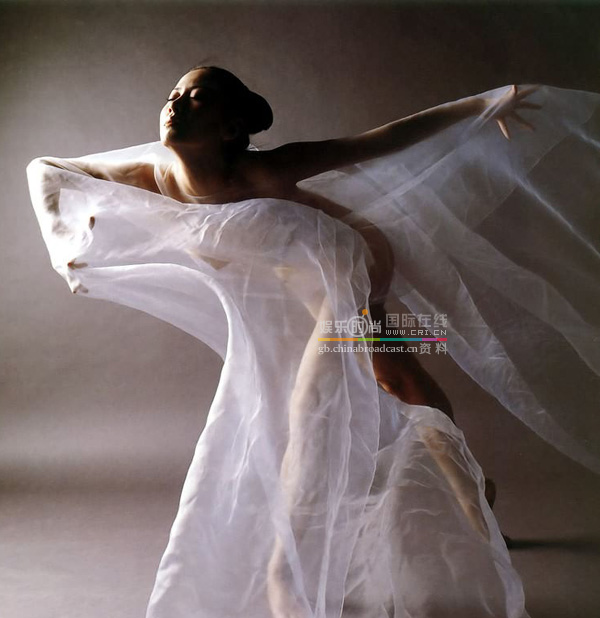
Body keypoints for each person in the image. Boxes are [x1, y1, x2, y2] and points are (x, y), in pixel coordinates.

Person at [27, 66, 600, 617]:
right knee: (398, 377)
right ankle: (476, 493)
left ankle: (283, 571)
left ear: (230, 128)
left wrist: (483, 105)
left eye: (198, 96)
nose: (177, 101)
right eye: (174, 92)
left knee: (309, 402)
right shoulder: (145, 170)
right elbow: (47, 169)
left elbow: (375, 142)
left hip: (349, 260)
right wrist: (64, 239)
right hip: (291, 275)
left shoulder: (266, 169)